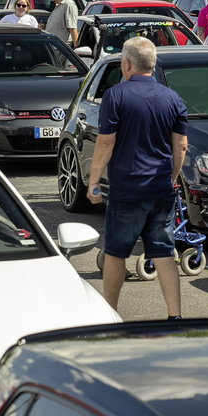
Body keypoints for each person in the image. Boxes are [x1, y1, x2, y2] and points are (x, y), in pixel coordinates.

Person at [85, 37, 188, 317]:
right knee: (165, 253)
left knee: (116, 253)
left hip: (127, 189)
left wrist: (94, 182)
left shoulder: (116, 96)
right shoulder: (173, 98)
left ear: (128, 64)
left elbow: (106, 143)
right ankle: (175, 316)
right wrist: (172, 177)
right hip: (161, 189)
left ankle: (111, 313)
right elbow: (181, 145)